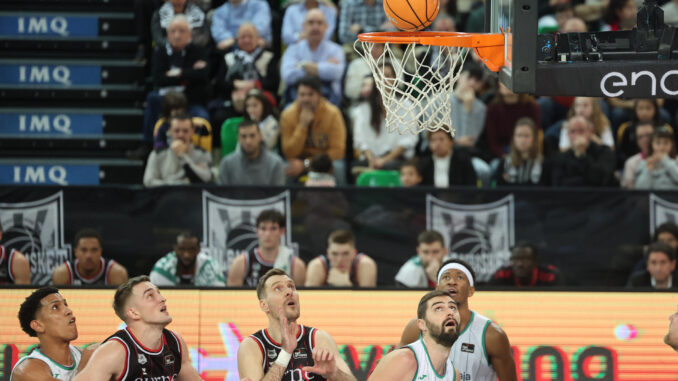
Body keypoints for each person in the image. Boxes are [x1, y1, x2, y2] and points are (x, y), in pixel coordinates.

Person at [396, 259, 518, 381]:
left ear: (471, 290)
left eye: (460, 277)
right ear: (437, 288)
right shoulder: (416, 328)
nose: (452, 282)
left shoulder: (492, 335)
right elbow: (392, 370)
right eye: (446, 277)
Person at [237, 268, 357, 381]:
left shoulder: (318, 338)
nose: (289, 292)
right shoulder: (252, 346)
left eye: (291, 286)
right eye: (278, 288)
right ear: (264, 305)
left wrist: (335, 373)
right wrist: (285, 353)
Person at [73, 276, 202, 380]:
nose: (162, 299)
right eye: (150, 296)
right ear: (134, 313)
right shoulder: (115, 351)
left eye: (159, 293)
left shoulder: (175, 342)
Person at [140, 15, 209, 159]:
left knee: (203, 118)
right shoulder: (160, 52)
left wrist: (177, 73)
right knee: (152, 98)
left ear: (189, 34)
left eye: (182, 31)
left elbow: (202, 76)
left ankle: (201, 154)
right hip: (166, 102)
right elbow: (159, 79)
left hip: (190, 101)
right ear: (167, 34)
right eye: (173, 31)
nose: (177, 35)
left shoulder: (199, 51)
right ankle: (148, 146)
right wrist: (188, 75)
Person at [368, 290, 461, 381]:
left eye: (452, 307)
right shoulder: (403, 360)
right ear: (422, 324)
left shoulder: (454, 375)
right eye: (439, 308)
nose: (450, 312)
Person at [11, 287, 97, 380]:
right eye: (55, 307)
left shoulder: (83, 354)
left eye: (65, 304)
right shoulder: (26, 370)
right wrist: (86, 366)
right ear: (38, 325)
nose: (68, 311)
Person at [210, 23, 279, 130]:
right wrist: (235, 84)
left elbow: (273, 83)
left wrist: (253, 85)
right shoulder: (228, 58)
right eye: (243, 37)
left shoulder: (268, 56)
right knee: (218, 116)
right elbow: (219, 83)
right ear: (237, 40)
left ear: (258, 39)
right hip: (234, 101)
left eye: (250, 37)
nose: (246, 40)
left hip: (262, 100)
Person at [280, 76, 347, 184]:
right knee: (285, 168)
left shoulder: (333, 113)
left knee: (338, 167)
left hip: (324, 161)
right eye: (302, 95)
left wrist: (306, 164)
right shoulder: (287, 115)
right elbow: (288, 152)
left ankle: (341, 200)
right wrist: (302, 126)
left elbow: (338, 152)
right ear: (297, 96)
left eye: (310, 94)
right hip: (298, 160)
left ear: (319, 95)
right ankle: (287, 200)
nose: (306, 99)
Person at [351, 76, 417, 171]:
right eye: (380, 77)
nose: (384, 80)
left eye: (387, 75)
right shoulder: (364, 108)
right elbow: (360, 140)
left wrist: (384, 160)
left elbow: (409, 140)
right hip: (371, 160)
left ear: (395, 79)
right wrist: (371, 160)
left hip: (397, 160)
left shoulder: (406, 105)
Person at [280, 10, 345, 106]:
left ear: (326, 26)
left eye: (319, 23)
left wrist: (302, 65)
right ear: (303, 26)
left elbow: (336, 73)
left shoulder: (336, 50)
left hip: (328, 101)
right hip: (297, 101)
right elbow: (288, 75)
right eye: (311, 23)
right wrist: (323, 66)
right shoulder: (292, 49)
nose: (315, 27)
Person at [228, 209, 306, 286]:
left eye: (273, 228)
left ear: (282, 231)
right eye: (263, 228)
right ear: (257, 231)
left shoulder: (295, 265)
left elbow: (301, 297)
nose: (268, 234)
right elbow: (232, 297)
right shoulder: (242, 262)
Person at [543, 115, 616, 186]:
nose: (577, 135)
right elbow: (558, 184)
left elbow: (601, 179)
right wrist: (586, 181)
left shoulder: (604, 152)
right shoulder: (559, 157)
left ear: (590, 132)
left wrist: (582, 156)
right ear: (567, 134)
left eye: (581, 131)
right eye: (572, 131)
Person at [143, 114, 213, 186]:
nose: (181, 135)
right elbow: (148, 181)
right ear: (169, 131)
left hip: (193, 196)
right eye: (176, 131)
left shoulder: (202, 154)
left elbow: (207, 178)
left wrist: (182, 156)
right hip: (166, 196)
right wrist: (177, 185)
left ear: (192, 131)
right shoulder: (157, 154)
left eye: (185, 131)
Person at [218, 119, 286, 186]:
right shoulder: (227, 164)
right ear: (238, 138)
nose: (248, 141)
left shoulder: (275, 164)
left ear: (260, 136)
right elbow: (221, 195)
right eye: (243, 136)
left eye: (252, 136)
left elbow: (278, 196)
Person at [52, 228, 128, 286]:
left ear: (100, 251)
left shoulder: (117, 273)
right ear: (76, 252)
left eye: (94, 250)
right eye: (84, 250)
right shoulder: (62, 274)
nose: (89, 255)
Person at [149, 230, 226, 286]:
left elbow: (219, 298)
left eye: (192, 249)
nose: (187, 255)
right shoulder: (162, 269)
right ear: (175, 249)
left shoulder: (211, 266)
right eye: (182, 249)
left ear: (199, 250)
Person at [305, 229, 377, 287]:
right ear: (328, 254)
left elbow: (368, 303)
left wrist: (345, 286)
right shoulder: (318, 265)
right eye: (334, 254)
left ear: (354, 254)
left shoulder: (365, 265)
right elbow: (305, 303)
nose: (340, 260)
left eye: (345, 254)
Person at [493, 117, 543, 186]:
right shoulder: (504, 163)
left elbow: (545, 190)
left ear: (534, 138)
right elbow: (494, 187)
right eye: (519, 135)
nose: (523, 140)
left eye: (526, 136)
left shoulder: (542, 163)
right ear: (514, 138)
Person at [491, 243, 562, 287]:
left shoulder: (549, 275)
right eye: (515, 259)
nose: (520, 264)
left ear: (535, 261)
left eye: (525, 259)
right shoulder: (502, 274)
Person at [621, 122, 654, 189]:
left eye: (648, 135)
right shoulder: (631, 163)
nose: (645, 139)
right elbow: (630, 190)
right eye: (640, 137)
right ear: (637, 141)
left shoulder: (672, 159)